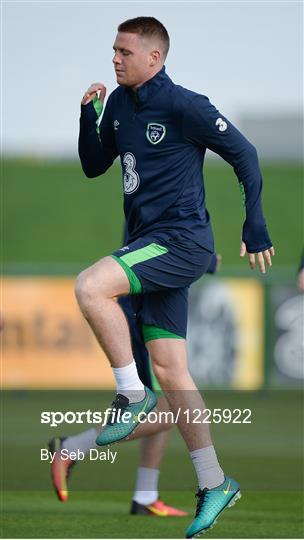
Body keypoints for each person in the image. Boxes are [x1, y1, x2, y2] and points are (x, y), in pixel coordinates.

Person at [77, 16, 274, 537]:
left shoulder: (186, 104)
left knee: (91, 286)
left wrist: (255, 225)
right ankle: (215, 481)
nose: (115, 58)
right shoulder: (120, 102)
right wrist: (88, 116)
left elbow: (245, 155)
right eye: (113, 50)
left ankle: (129, 394)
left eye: (124, 51)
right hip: (149, 243)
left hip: (182, 242)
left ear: (154, 58)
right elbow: (95, 164)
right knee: (173, 373)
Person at [49, 252, 221, 516]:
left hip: (154, 303)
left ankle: (145, 495)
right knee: (174, 407)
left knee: (170, 401)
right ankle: (72, 448)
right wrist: (205, 258)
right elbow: (154, 241)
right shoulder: (152, 213)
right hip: (143, 310)